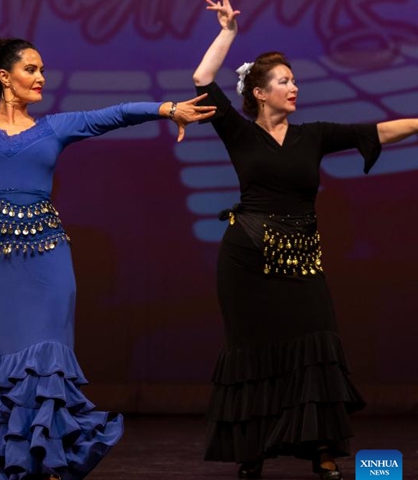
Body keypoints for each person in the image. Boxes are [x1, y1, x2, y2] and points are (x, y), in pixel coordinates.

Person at [0, 1, 216, 478]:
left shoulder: (54, 127)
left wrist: (165, 108)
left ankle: (50, 462)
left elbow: (111, 115)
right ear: (4, 77)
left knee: (46, 364)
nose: (41, 77)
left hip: (46, 261)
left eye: (43, 69)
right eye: (31, 68)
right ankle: (7, 465)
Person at [192, 1, 418, 479]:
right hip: (246, 261)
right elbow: (202, 79)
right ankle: (251, 450)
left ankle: (321, 450)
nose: (295, 87)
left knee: (316, 345)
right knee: (252, 351)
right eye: (284, 81)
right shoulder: (238, 133)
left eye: (295, 80)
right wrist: (229, 31)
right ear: (259, 92)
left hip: (301, 256)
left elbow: (375, 130)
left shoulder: (312, 135)